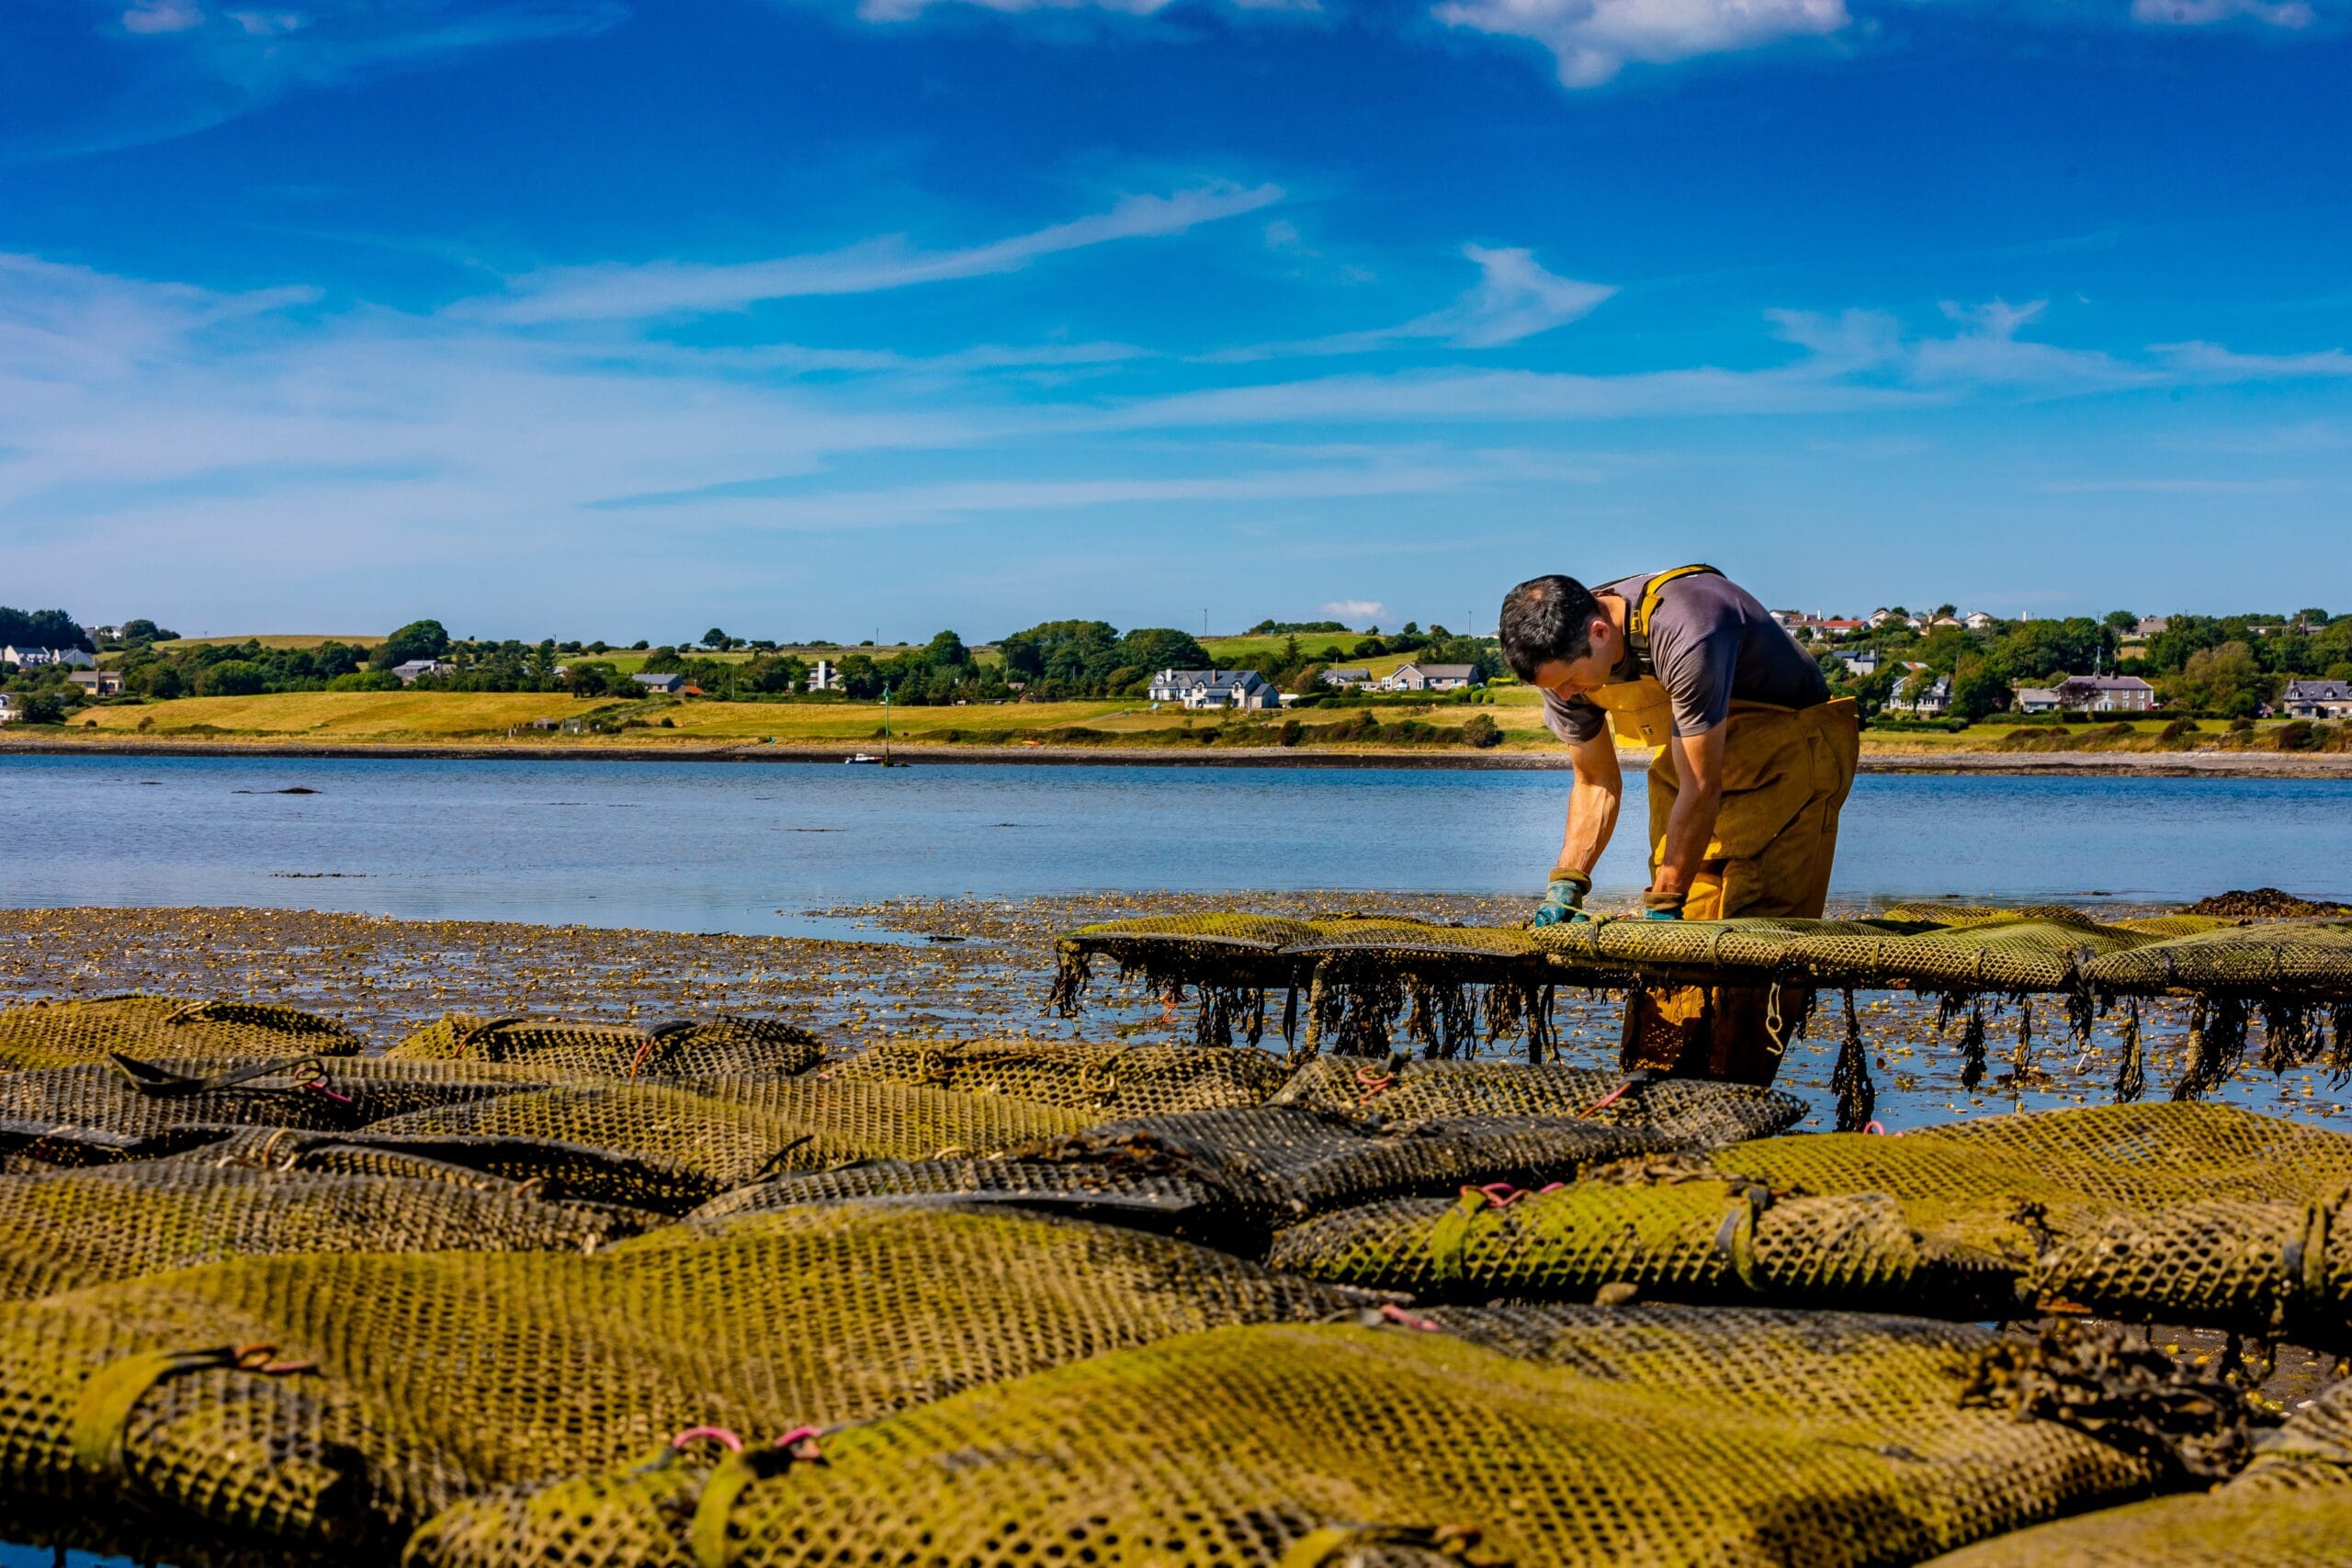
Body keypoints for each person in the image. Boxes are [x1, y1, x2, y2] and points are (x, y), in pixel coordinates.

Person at [1496, 565, 1860, 1084]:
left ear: (1601, 632)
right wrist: (1566, 886)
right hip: (1689, 765)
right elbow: (1596, 782)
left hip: (1789, 759)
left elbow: (1703, 787)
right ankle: (1657, 1097)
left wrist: (1665, 905)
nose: (1571, 695)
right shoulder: (1561, 669)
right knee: (1671, 963)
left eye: (1574, 680)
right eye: (1558, 688)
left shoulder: (1688, 625)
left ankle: (1734, 1100)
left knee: (1752, 946)